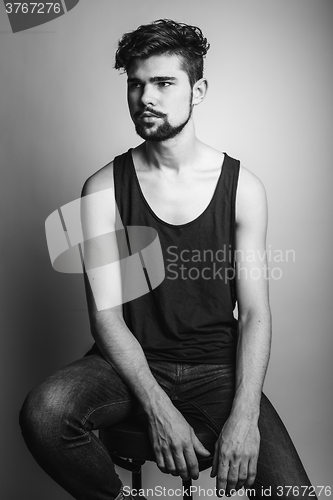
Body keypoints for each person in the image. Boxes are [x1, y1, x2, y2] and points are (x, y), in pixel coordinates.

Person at [20, 19, 316, 500]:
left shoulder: (244, 189)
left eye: (163, 83)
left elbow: (256, 314)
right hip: (127, 364)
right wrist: (159, 409)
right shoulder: (100, 189)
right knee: (45, 411)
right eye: (136, 85)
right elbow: (106, 318)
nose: (145, 98)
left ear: (197, 90)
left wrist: (244, 416)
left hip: (216, 368)